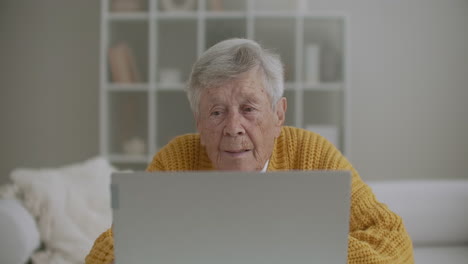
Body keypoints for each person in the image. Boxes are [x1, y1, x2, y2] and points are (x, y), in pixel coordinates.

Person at [85, 38, 414, 264]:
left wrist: (300, 252)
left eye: (249, 108)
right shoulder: (176, 159)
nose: (233, 127)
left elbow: (394, 243)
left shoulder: (312, 154)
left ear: (279, 114)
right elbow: (106, 253)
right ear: (198, 121)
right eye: (216, 112)